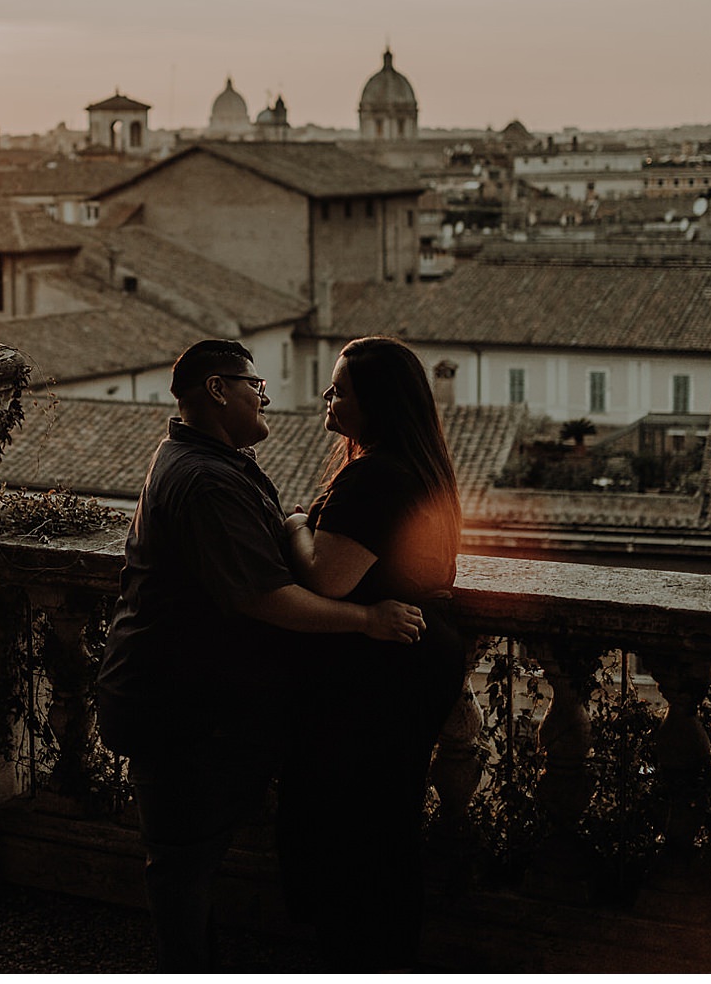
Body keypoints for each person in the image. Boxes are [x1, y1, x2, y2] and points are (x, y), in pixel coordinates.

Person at [95, 339, 426, 972]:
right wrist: (366, 618)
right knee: (181, 866)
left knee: (183, 860)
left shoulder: (208, 461)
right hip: (177, 703)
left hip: (183, 698)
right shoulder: (206, 479)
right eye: (254, 383)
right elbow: (266, 597)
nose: (265, 394)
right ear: (218, 390)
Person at [275, 335, 471, 971]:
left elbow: (326, 578)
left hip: (379, 674)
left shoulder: (375, 476)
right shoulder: (420, 468)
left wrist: (296, 524)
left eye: (341, 389)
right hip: (413, 660)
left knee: (356, 830)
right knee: (387, 825)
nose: (328, 397)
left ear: (377, 402)